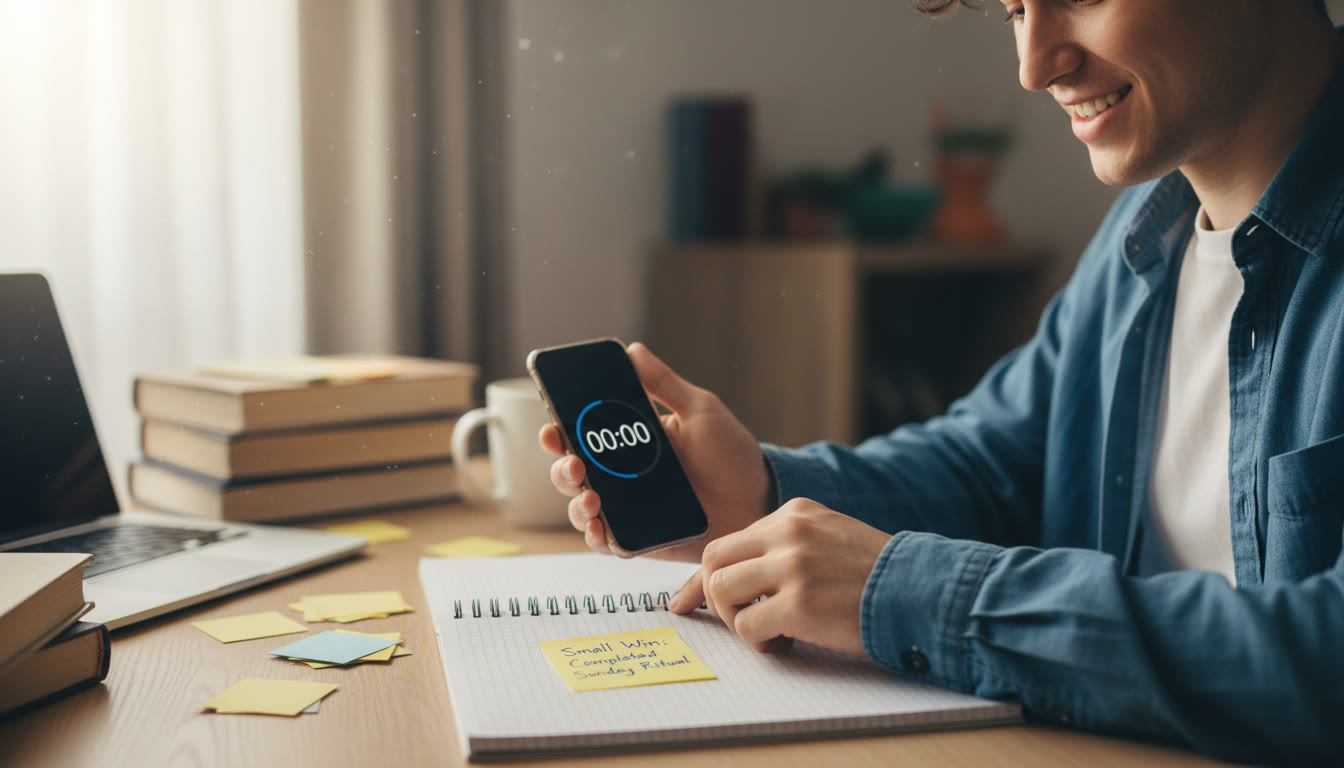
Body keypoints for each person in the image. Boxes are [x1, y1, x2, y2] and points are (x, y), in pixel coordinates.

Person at [540, 0, 1344, 762]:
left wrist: (913, 594)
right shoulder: (1144, 237)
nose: (1035, 65)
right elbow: (996, 463)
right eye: (1013, 12)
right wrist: (762, 492)